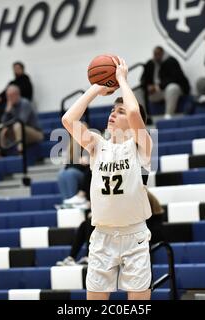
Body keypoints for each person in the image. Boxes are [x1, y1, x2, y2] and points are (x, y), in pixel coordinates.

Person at [62, 56, 153, 300]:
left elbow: (135, 111)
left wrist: (122, 79)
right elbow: (68, 119)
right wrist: (96, 87)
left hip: (134, 236)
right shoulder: (97, 145)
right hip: (102, 236)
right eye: (113, 109)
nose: (113, 113)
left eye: (119, 111)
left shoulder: (141, 145)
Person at [138, 46, 190, 119]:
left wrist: (157, 87)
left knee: (172, 87)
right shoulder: (150, 63)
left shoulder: (171, 61)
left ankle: (168, 116)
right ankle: (143, 118)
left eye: (158, 54)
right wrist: (147, 87)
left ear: (163, 53)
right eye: (155, 54)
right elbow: (143, 79)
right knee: (138, 92)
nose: (156, 56)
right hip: (156, 93)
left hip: (173, 90)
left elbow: (175, 78)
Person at [0, 85, 43, 154]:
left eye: (11, 96)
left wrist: (9, 124)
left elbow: (22, 121)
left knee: (18, 125)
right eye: (7, 96)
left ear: (17, 95)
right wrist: (7, 112)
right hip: (20, 132)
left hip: (36, 133)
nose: (9, 98)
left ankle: (20, 151)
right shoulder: (10, 106)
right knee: (2, 130)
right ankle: (2, 153)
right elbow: (3, 122)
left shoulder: (25, 103)